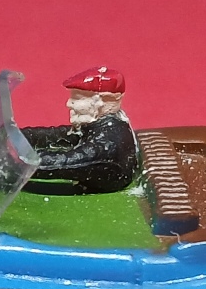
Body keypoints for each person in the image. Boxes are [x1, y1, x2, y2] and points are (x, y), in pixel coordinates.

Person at [21, 66, 138, 194]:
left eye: (77, 98)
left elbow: (64, 162)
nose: (68, 104)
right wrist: (22, 135)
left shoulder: (108, 142)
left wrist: (17, 161)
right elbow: (57, 135)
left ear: (103, 101)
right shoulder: (100, 126)